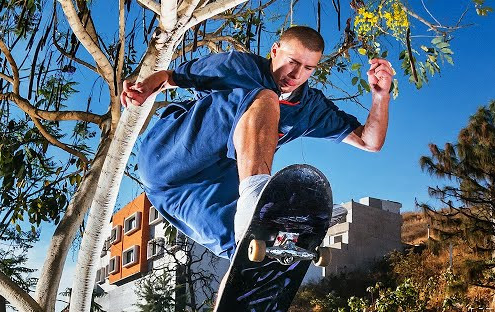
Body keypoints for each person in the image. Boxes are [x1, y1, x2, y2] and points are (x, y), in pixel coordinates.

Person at [121, 25, 394, 260]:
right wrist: (145, 87)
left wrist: (380, 97)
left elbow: (369, 142)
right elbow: (171, 77)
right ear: (274, 50)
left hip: (192, 193)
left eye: (308, 68)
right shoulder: (237, 65)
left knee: (251, 245)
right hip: (170, 155)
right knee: (265, 97)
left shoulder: (310, 108)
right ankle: (256, 197)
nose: (296, 74)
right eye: (292, 61)